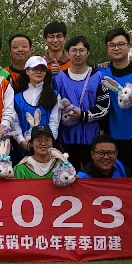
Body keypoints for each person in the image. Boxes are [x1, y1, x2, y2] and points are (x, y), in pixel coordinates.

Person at [97, 28, 132, 176]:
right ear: (107, 49)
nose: (116, 48)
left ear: (128, 47)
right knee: (109, 178)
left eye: (121, 44)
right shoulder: (100, 72)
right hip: (108, 136)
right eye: (112, 45)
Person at [49, 36, 108, 169]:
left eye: (81, 50)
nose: (78, 54)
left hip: (92, 140)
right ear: (67, 53)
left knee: (91, 177)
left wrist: (83, 115)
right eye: (74, 50)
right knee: (67, 176)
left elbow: (104, 107)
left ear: (88, 52)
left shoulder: (98, 77)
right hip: (65, 141)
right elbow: (51, 108)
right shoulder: (57, 78)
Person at [11, 56, 54, 154]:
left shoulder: (54, 95)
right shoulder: (16, 98)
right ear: (27, 71)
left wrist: (48, 143)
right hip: (22, 149)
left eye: (42, 69)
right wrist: (21, 141)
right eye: (35, 69)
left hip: (46, 149)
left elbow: (54, 123)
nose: (39, 72)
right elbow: (14, 123)